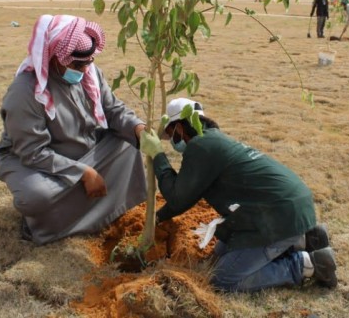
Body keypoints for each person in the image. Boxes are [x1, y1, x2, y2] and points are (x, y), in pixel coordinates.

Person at [140, 98, 337, 292]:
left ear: (180, 128)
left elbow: (177, 197)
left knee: (221, 278)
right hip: (287, 206)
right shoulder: (211, 141)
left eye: (170, 133)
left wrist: (158, 156)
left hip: (278, 216)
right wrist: (157, 217)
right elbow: (186, 196)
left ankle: (307, 264)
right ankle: (305, 240)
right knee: (219, 255)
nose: (172, 140)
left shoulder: (201, 146)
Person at [0, 14, 148, 245]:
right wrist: (85, 173)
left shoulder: (90, 73)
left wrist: (139, 129)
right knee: (36, 196)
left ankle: (105, 212)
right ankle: (42, 225)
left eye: (89, 62)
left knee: (128, 143)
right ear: (54, 56)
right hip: (33, 160)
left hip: (81, 147)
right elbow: (33, 152)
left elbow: (113, 110)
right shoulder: (25, 92)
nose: (85, 69)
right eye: (77, 64)